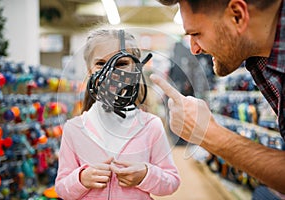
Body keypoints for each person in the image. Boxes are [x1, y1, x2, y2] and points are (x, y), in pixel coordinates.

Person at [150, 0, 285, 194]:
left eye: (196, 33)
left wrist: (208, 133)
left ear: (237, 16)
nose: (194, 49)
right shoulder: (260, 61)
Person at [55, 29, 180, 200]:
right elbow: (61, 188)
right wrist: (81, 179)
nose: (111, 72)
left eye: (121, 64)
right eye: (100, 63)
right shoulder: (74, 129)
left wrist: (145, 174)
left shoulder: (151, 126)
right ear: (89, 70)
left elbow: (171, 181)